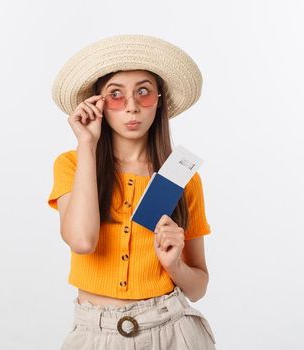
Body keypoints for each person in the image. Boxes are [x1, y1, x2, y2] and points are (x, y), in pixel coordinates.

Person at [47, 34, 217, 349]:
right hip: (96, 334)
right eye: (115, 94)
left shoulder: (182, 179)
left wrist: (174, 265)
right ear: (97, 103)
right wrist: (87, 143)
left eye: (143, 92)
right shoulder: (71, 164)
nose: (131, 107)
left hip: (172, 332)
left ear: (160, 99)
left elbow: (198, 288)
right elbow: (82, 241)